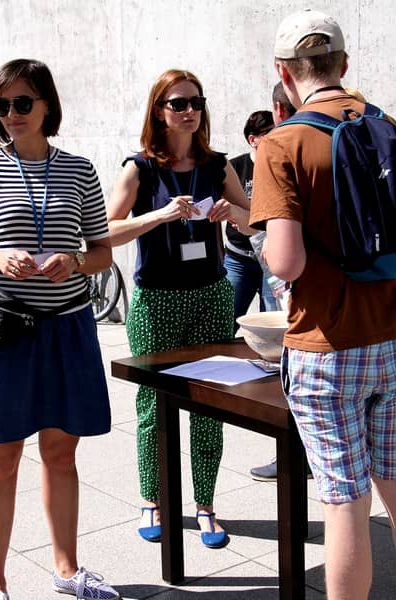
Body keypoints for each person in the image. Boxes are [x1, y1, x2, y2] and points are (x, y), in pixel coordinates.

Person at [250, 10, 396, 600]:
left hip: (328, 349)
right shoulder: (387, 126)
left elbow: (286, 264)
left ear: (285, 73)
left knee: (345, 503)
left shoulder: (282, 144)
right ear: (343, 64)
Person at [0, 59, 119, 600]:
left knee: (61, 454)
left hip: (66, 329)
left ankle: (67, 569)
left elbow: (102, 252)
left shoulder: (80, 171)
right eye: (2, 105)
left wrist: (76, 260)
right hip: (6, 333)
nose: (12, 114)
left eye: (22, 102)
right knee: (2, 460)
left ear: (46, 105)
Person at [107, 69, 250, 549]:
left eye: (196, 102)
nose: (189, 111)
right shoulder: (140, 169)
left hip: (211, 295)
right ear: (159, 111)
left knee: (210, 402)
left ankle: (205, 504)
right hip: (157, 301)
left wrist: (234, 214)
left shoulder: (218, 166)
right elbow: (105, 231)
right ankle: (153, 498)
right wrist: (161, 215)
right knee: (153, 405)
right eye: (178, 103)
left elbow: (257, 222)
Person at [247, 83, 301, 482]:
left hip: (304, 293)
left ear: (279, 111)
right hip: (379, 318)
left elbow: (281, 259)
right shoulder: (365, 132)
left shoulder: (278, 151)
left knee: (290, 370)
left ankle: (292, 456)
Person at [226, 110, 277, 325]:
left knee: (273, 322)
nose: (276, 138)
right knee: (226, 321)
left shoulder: (282, 166)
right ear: (252, 139)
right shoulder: (235, 167)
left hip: (272, 258)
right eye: (269, 133)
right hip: (239, 258)